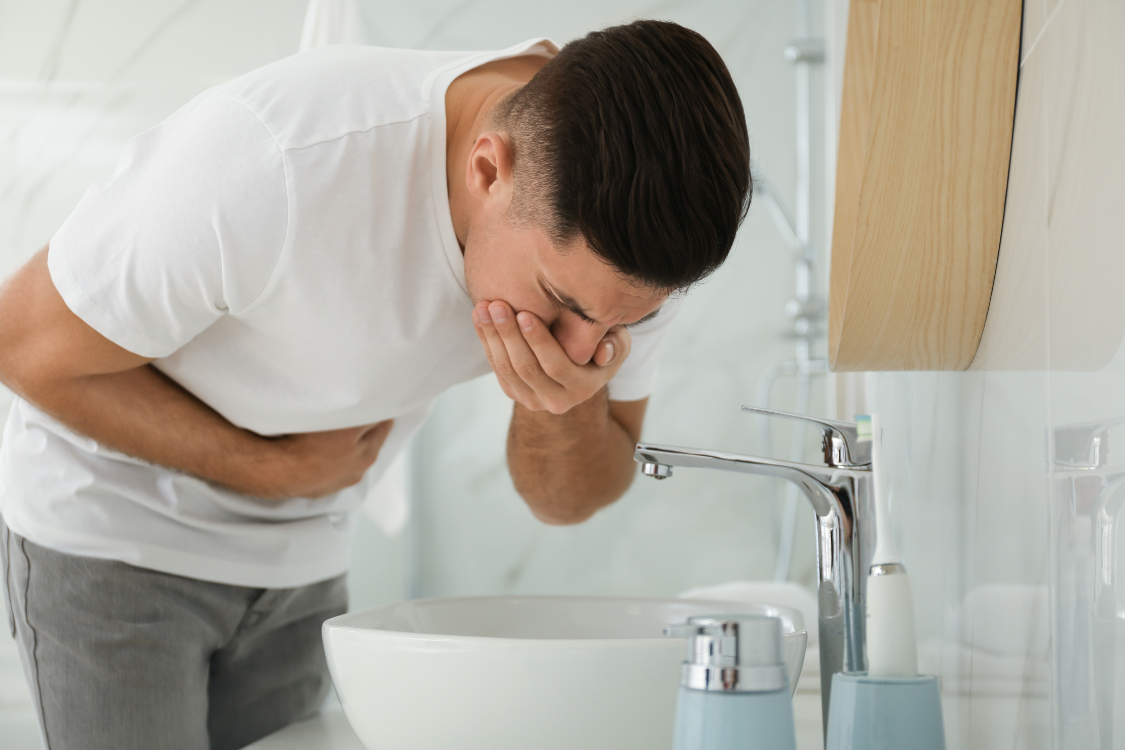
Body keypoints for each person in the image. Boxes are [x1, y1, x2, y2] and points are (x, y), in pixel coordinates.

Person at [0, 19, 751, 750]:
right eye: (562, 304)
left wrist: (556, 403)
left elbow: (568, 497)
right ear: (487, 170)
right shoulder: (279, 159)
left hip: (306, 562)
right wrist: (275, 469)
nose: (588, 347)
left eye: (627, 321)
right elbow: (22, 346)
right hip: (112, 540)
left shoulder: (624, 250)